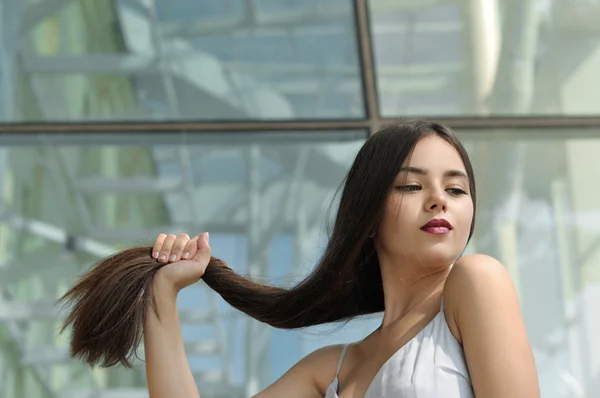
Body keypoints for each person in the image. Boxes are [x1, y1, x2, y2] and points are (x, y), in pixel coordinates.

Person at [58, 120, 540, 398]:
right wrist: (162, 293)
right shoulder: (333, 367)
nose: (439, 200)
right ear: (368, 215)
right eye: (411, 185)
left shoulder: (478, 282)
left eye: (456, 189)